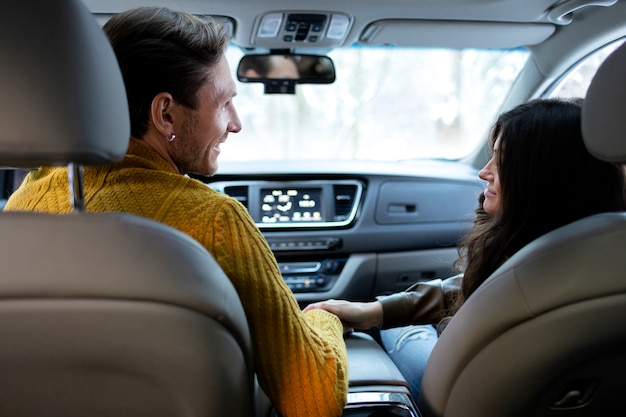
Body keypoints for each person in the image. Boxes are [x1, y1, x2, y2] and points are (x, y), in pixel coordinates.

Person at [4, 7, 347, 417]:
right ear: (165, 113)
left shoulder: (22, 210)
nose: (235, 124)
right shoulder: (215, 221)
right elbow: (315, 401)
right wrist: (325, 319)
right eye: (224, 104)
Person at [304, 97, 626, 401]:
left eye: (500, 161)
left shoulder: (522, 274)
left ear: (542, 178)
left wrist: (374, 315)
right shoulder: (598, 251)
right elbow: (469, 290)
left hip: (461, 399)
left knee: (401, 333)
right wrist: (375, 311)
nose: (483, 171)